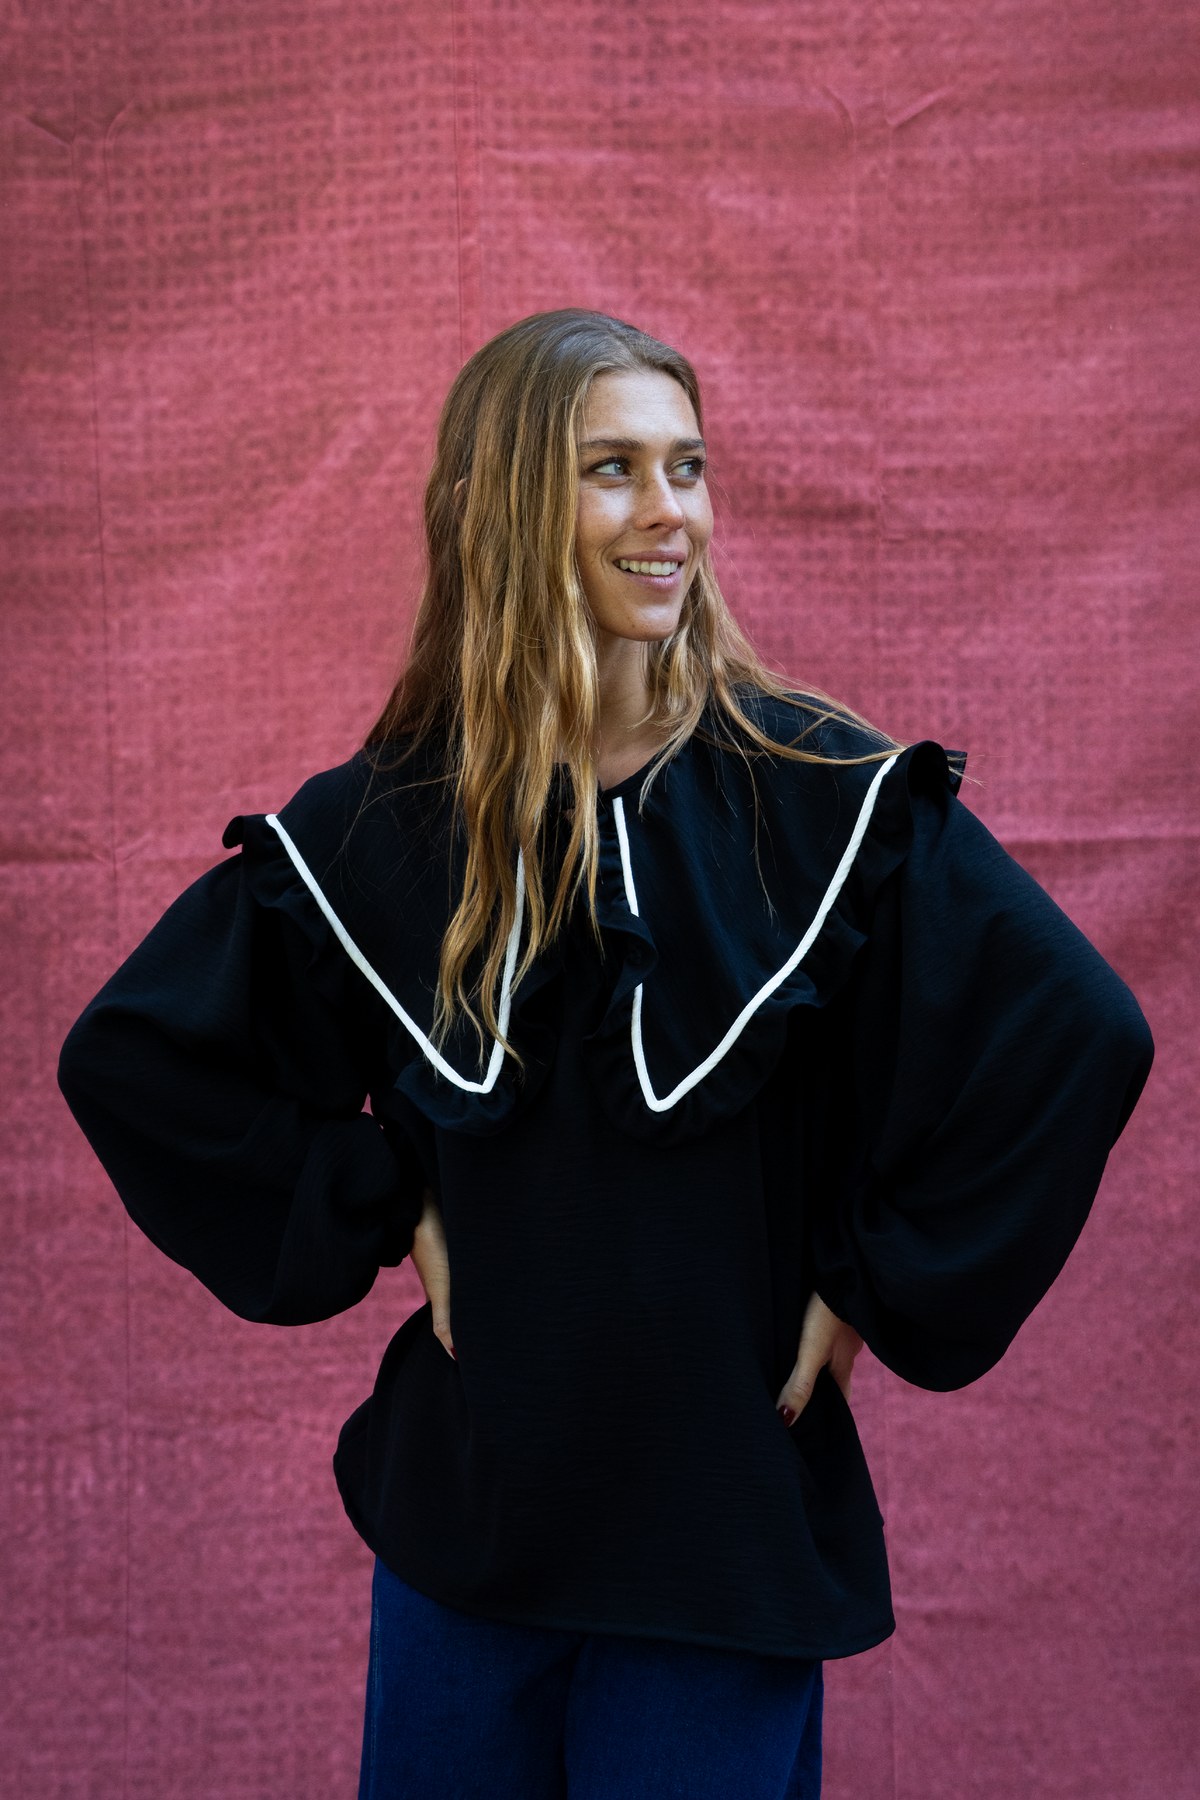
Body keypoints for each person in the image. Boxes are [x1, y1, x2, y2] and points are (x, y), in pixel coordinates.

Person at [58, 309, 1153, 1800]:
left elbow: (1077, 1036)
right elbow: (135, 1062)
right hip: (469, 1534)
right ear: (503, 506)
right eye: (613, 469)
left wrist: (869, 1278)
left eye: (686, 467)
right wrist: (386, 1197)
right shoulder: (391, 819)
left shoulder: (813, 794)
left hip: (719, 1539)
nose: (669, 513)